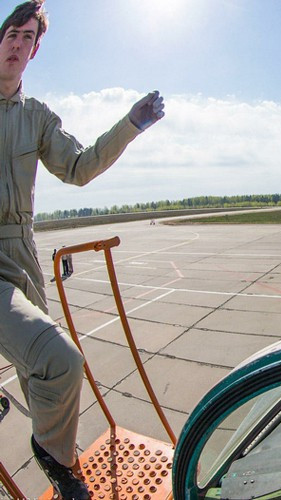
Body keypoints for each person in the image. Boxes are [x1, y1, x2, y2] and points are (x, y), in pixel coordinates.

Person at [0, 1, 164, 497]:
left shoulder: (37, 117)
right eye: (10, 34)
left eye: (27, 38)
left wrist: (129, 125)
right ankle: (54, 458)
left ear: (35, 50)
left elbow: (78, 167)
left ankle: (59, 456)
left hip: (21, 253)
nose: (16, 44)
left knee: (40, 370)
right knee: (61, 359)